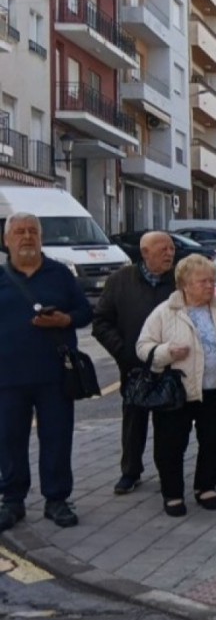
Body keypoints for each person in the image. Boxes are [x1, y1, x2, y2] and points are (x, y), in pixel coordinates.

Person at [0, 213, 92, 531]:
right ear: (6, 240)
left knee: (57, 439)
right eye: (19, 232)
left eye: (32, 231)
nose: (27, 237)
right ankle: (12, 501)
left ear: (41, 238)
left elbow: (85, 312)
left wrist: (65, 320)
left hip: (54, 376)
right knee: (9, 441)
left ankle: (57, 500)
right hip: (7, 378)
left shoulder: (60, 274)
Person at [136, 255, 216, 517]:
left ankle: (206, 487)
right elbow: (143, 346)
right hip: (177, 392)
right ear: (185, 284)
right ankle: (172, 493)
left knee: (213, 441)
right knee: (171, 445)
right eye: (202, 281)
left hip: (215, 390)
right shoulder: (165, 312)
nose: (210, 286)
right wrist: (166, 352)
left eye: (212, 281)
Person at [93, 231, 177, 495]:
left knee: (169, 423)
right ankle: (130, 472)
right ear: (145, 253)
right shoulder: (120, 281)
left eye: (172, 248)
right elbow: (101, 322)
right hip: (134, 365)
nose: (169, 253)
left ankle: (168, 473)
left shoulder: (179, 280)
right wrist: (123, 351)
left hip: (171, 364)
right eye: (163, 249)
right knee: (133, 421)